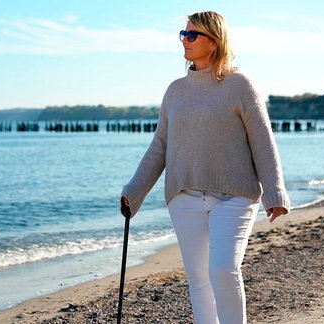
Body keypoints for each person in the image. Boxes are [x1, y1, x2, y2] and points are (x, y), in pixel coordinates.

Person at [120, 11, 290, 324]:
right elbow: (160, 146)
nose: (185, 40)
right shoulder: (175, 91)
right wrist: (134, 191)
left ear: (214, 42)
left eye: (192, 35)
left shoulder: (240, 85)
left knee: (223, 270)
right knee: (198, 280)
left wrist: (275, 192)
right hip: (183, 196)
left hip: (235, 194)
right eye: (183, 35)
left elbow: (262, 141)